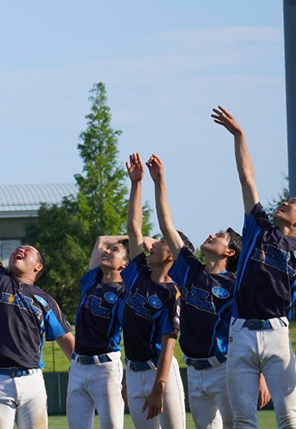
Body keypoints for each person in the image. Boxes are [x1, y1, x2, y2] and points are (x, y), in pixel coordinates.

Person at [212, 106, 296, 429]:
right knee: (243, 420)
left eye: (294, 203)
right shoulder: (258, 226)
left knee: (289, 419)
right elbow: (247, 178)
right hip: (240, 332)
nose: (286, 202)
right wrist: (239, 135)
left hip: (277, 335)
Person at [146, 153, 271, 429]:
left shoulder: (235, 285)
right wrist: (159, 181)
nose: (211, 235)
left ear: (229, 252)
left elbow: (251, 330)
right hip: (194, 369)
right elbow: (166, 225)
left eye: (219, 236)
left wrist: (260, 374)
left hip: (225, 369)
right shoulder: (190, 270)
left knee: (237, 425)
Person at [0, 170, 75, 429]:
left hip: (32, 382)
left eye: (29, 252)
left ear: (38, 268)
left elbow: (66, 339)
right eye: (20, 248)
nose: (22, 250)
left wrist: (86, 369)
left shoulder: (45, 300)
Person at [121, 153, 185, 429]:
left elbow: (169, 341)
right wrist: (136, 184)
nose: (151, 245)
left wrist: (160, 385)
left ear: (171, 255)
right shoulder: (138, 274)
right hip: (133, 371)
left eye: (158, 243)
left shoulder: (172, 293)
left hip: (160, 372)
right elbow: (134, 228)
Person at [65, 235, 128, 429]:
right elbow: (101, 240)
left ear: (125, 265)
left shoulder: (125, 291)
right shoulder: (92, 281)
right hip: (77, 366)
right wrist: (127, 238)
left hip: (105, 368)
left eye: (115, 250)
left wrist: (135, 241)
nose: (107, 251)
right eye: (109, 250)